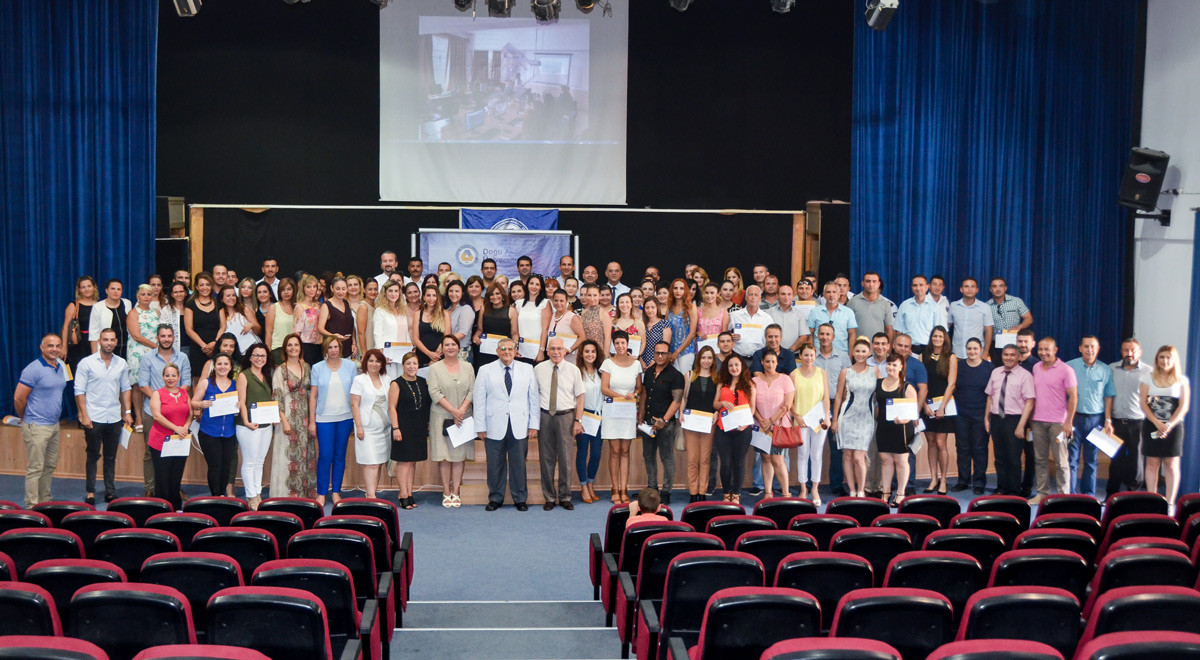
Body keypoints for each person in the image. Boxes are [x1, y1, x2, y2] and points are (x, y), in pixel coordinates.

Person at [474, 338, 540, 511]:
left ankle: (520, 498)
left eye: (510, 349)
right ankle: (495, 498)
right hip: (493, 424)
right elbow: (479, 400)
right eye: (503, 349)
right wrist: (480, 426)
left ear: (516, 351)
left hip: (520, 424)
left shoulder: (527, 369)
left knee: (519, 463)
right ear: (497, 351)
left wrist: (534, 424)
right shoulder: (485, 370)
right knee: (494, 464)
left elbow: (533, 398)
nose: (507, 352)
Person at [74, 329, 133, 504]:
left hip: (114, 417)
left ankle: (110, 492)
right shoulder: (86, 363)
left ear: (116, 342)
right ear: (99, 341)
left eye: (112, 340)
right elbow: (79, 391)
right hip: (93, 417)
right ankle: (90, 492)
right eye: (105, 339)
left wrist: (127, 412)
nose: (109, 343)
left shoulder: (121, 363)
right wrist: (84, 415)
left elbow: (126, 388)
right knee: (92, 456)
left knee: (110, 457)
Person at [139, 325, 191, 498]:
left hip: (178, 416)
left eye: (169, 336)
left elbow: (186, 382)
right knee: (151, 453)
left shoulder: (183, 357)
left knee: (176, 456)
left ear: (174, 337)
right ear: (157, 338)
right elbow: (143, 384)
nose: (166, 339)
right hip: (153, 412)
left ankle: (174, 488)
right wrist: (161, 399)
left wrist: (175, 398)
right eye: (163, 336)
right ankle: (150, 488)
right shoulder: (147, 357)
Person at [535, 337, 587, 510]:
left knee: (565, 458)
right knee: (546, 458)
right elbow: (533, 396)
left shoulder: (573, 370)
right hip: (545, 417)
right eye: (552, 349)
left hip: (566, 417)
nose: (556, 352)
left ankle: (565, 496)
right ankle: (549, 497)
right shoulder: (539, 369)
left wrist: (578, 420)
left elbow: (580, 396)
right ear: (547, 351)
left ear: (565, 351)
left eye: (559, 349)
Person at [1140, 345, 1190, 513]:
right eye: (1162, 357)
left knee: (1171, 464)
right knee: (1152, 463)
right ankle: (1152, 501)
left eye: (1168, 357)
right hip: (1151, 425)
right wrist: (1157, 423)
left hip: (1173, 427)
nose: (1165, 360)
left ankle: (1169, 504)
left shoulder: (1182, 380)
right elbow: (1143, 404)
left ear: (1174, 360)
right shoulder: (1147, 377)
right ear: (1157, 359)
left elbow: (1183, 407)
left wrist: (1168, 425)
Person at [308, 338, 357, 507]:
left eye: (336, 347)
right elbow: (313, 396)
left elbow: (355, 393)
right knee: (325, 455)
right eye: (330, 347)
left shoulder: (350, 366)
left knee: (339, 456)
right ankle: (322, 492)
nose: (333, 350)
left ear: (340, 348)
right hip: (324, 419)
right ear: (325, 350)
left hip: (345, 417)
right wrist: (312, 421)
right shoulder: (317, 368)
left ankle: (336, 491)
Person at [1028, 337, 1077, 504]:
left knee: (1061, 462)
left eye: (1047, 349)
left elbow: (1073, 397)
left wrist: (1068, 422)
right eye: (1040, 349)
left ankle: (1064, 496)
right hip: (1038, 421)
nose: (1043, 353)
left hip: (1059, 424)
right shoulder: (1036, 367)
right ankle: (1042, 493)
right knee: (1040, 460)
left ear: (1055, 350)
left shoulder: (1066, 370)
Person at [429, 335, 475, 508]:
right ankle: (446, 492)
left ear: (458, 347)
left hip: (463, 417)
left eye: (453, 344)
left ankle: (456, 491)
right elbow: (434, 392)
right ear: (442, 348)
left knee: (458, 457)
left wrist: (460, 411)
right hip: (441, 416)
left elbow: (472, 390)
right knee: (444, 456)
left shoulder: (468, 367)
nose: (450, 347)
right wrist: (454, 411)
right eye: (446, 345)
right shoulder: (435, 368)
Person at [268, 333, 316, 498]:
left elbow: (312, 395)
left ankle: (304, 495)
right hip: (287, 418)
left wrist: (312, 420)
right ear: (285, 349)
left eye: (296, 345)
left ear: (300, 348)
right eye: (289, 345)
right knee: (287, 458)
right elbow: (277, 398)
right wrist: (284, 421)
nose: (293, 348)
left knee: (305, 456)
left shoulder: (307, 367)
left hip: (305, 419)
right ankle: (284, 496)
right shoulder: (280, 370)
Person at [985, 346, 1036, 497]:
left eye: (1012, 355)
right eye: (1006, 354)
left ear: (1018, 357)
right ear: (1002, 356)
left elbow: (1030, 402)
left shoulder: (1025, 376)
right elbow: (990, 396)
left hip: (1015, 420)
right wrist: (986, 418)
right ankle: (1002, 489)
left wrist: (1021, 425)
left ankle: (1014, 491)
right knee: (1000, 457)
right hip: (996, 419)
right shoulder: (995, 372)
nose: (1009, 357)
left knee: (1013, 458)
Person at [1067, 336, 1115, 497]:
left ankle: (1088, 494)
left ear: (1098, 348)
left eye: (1093, 346)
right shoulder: (1070, 367)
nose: (1090, 350)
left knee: (1091, 460)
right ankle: (1070, 494)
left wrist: (1108, 420)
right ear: (1080, 348)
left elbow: (1108, 397)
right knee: (1071, 459)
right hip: (1074, 419)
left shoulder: (1105, 370)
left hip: (1096, 420)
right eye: (1086, 346)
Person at [831, 339, 878, 498]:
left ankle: (861, 490)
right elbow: (839, 396)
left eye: (864, 351)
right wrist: (835, 420)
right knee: (848, 455)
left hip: (866, 419)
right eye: (857, 351)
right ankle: (852, 490)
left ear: (869, 353)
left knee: (859, 457)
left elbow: (880, 394)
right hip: (847, 417)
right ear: (852, 352)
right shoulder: (846, 372)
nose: (860, 354)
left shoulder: (875, 371)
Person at [640, 340, 684, 504]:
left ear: (669, 355)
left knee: (666, 458)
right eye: (657, 353)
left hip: (665, 424)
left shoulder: (676, 375)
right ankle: (652, 488)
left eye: (663, 353)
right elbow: (644, 395)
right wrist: (641, 417)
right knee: (648, 456)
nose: (659, 356)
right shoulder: (649, 372)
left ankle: (666, 492)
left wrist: (664, 420)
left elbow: (677, 401)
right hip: (647, 423)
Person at [601, 331, 643, 504]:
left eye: (623, 343)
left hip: (627, 412)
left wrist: (634, 394)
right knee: (615, 451)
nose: (620, 346)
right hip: (612, 410)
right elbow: (604, 388)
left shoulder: (636, 364)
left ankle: (624, 489)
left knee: (625, 451)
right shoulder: (607, 363)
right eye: (617, 343)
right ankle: (614, 489)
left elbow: (639, 387)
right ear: (613, 345)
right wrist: (621, 396)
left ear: (627, 344)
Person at [1107, 338, 1152, 495]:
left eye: (1133, 350)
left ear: (1140, 352)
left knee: (1136, 461)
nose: (1129, 353)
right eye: (1126, 350)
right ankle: (1111, 494)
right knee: (1115, 459)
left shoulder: (1149, 372)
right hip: (1116, 422)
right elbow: (1107, 395)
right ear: (1121, 352)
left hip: (1138, 423)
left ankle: (1133, 495)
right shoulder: (1111, 369)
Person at [192, 352, 239, 497]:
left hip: (229, 432)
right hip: (209, 432)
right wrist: (201, 404)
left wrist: (239, 405)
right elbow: (193, 402)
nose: (222, 367)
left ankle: (222, 495)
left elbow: (242, 404)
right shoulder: (206, 382)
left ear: (230, 367)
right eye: (219, 364)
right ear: (214, 366)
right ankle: (215, 496)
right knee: (215, 465)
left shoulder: (236, 385)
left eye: (226, 364)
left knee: (226, 466)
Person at [387, 352, 430, 510]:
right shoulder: (396, 383)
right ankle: (403, 494)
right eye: (408, 364)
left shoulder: (423, 381)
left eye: (415, 363)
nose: (412, 367)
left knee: (412, 462)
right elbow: (392, 407)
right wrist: (395, 428)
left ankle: (410, 492)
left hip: (418, 427)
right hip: (403, 427)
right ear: (403, 366)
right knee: (404, 462)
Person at [952, 338, 995, 494]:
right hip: (961, 415)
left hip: (980, 415)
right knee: (962, 448)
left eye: (975, 348)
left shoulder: (989, 368)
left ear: (981, 349)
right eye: (969, 349)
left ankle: (979, 482)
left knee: (979, 449)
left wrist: (987, 416)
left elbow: (992, 393)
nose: (972, 352)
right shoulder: (959, 366)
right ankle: (963, 481)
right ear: (966, 350)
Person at [236, 343, 275, 510]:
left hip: (266, 425)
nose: (260, 358)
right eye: (256, 355)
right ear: (250, 357)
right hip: (248, 426)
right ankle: (251, 495)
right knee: (250, 461)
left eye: (263, 355)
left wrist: (273, 417)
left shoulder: (267, 375)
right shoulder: (244, 376)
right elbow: (241, 402)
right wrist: (246, 421)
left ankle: (257, 492)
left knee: (260, 461)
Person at [147, 363, 192, 511]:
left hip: (180, 441)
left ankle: (177, 508)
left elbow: (190, 413)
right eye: (167, 375)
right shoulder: (157, 394)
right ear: (162, 377)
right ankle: (162, 510)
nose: (170, 378)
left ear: (179, 377)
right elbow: (157, 416)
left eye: (173, 375)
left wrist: (185, 426)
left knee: (176, 476)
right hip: (160, 442)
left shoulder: (184, 393)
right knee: (162, 478)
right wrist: (176, 428)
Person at [875, 353, 916, 507]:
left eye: (894, 365)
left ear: (901, 368)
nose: (891, 367)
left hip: (901, 428)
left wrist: (904, 420)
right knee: (885, 460)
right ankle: (885, 492)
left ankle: (900, 493)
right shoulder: (879, 383)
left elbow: (913, 412)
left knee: (901, 461)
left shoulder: (906, 387)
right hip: (883, 427)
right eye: (889, 364)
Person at [791, 344, 830, 504]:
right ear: (800, 356)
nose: (809, 358)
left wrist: (827, 417)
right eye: (806, 355)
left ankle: (815, 488)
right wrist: (796, 416)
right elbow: (789, 400)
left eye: (811, 355)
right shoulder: (794, 374)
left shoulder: (822, 373)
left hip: (819, 421)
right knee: (802, 454)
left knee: (816, 454)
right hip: (801, 421)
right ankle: (803, 488)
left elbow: (826, 397)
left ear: (815, 356)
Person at [349, 349, 390, 500]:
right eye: (371, 361)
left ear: (382, 364)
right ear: (366, 363)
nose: (374, 364)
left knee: (378, 462)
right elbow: (354, 404)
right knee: (371, 463)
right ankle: (371, 496)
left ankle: (372, 492)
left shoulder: (386, 379)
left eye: (377, 361)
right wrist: (359, 426)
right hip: (366, 429)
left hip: (384, 429)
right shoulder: (359, 380)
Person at [713, 354, 755, 504]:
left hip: (743, 429)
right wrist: (722, 403)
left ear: (742, 366)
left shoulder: (750, 384)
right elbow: (715, 404)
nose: (734, 368)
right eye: (730, 365)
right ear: (727, 367)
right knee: (725, 463)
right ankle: (726, 493)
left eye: (737, 365)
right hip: (723, 428)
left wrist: (745, 423)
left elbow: (752, 408)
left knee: (739, 462)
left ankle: (736, 494)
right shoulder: (722, 383)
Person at [921, 326, 957, 495]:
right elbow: (921, 383)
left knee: (941, 443)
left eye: (940, 336)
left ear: (945, 339)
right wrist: (924, 406)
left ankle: (943, 480)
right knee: (931, 442)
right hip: (927, 405)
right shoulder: (923, 356)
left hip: (944, 405)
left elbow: (952, 384)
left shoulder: (951, 357)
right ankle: (933, 478)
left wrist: (942, 407)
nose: (937, 339)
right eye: (935, 336)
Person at [752, 351, 794, 499]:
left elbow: (787, 405)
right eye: (767, 361)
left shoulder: (785, 379)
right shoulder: (755, 381)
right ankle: (768, 493)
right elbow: (752, 405)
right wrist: (762, 421)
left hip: (779, 426)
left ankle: (786, 493)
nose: (770, 364)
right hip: (760, 427)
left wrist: (771, 421)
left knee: (778, 459)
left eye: (773, 362)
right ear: (762, 362)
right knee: (765, 458)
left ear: (777, 363)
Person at [681, 345, 718, 503]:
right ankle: (693, 491)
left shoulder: (717, 378)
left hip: (708, 423)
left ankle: (702, 492)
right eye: (703, 357)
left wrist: (717, 412)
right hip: (691, 423)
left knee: (704, 459)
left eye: (709, 358)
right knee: (692, 459)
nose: (706, 361)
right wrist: (681, 413)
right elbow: (684, 398)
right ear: (698, 359)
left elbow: (717, 401)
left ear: (713, 360)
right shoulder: (690, 375)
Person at [126, 284, 160, 431]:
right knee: (138, 386)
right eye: (143, 294)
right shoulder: (133, 313)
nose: (146, 297)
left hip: (155, 354)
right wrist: (156, 346)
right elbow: (136, 335)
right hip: (138, 353)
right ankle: (139, 419)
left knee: (153, 385)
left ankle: (153, 417)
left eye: (149, 294)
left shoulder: (156, 312)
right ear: (138, 296)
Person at [575, 340, 606, 504]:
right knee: (582, 453)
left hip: (599, 418)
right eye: (587, 351)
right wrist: (577, 420)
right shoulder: (577, 372)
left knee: (596, 454)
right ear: (581, 354)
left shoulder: (602, 372)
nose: (590, 354)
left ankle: (590, 482)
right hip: (584, 417)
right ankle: (583, 486)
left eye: (593, 351)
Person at [988, 277, 1034, 363]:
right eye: (994, 286)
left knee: (1017, 367)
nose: (998, 289)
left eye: (1001, 286)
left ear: (1005, 288)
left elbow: (1029, 318)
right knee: (997, 368)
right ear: (990, 289)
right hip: (996, 346)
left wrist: (1019, 326)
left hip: (1015, 343)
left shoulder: (1016, 301)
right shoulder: (987, 306)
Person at [894, 275, 944, 352]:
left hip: (929, 349)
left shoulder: (935, 307)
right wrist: (902, 347)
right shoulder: (904, 305)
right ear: (912, 287)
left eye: (921, 285)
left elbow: (940, 331)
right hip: (908, 349)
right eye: (915, 285)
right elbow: (899, 330)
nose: (918, 288)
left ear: (927, 287)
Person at [947, 278, 993, 359]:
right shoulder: (953, 306)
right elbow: (946, 327)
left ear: (977, 290)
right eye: (966, 286)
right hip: (957, 353)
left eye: (972, 286)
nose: (969, 289)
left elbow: (988, 331)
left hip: (977, 354)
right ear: (961, 289)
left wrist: (985, 352)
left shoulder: (985, 308)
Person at [474, 282, 516, 369]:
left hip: (504, 352)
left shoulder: (511, 311)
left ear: (502, 295)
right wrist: (475, 337)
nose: (495, 296)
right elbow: (480, 330)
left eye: (497, 293)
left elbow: (514, 334)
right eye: (492, 294)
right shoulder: (483, 309)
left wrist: (515, 348)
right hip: (486, 352)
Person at [807, 282, 857, 354]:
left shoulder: (848, 312)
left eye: (834, 292)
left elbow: (852, 335)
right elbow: (810, 334)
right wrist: (811, 353)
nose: (831, 295)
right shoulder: (815, 312)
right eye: (828, 292)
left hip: (842, 355)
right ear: (824, 295)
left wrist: (850, 355)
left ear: (839, 294)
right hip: (819, 355)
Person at [63, 276, 99, 373]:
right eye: (83, 287)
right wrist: (64, 348)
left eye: (89, 286)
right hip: (78, 345)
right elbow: (66, 327)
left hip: (96, 344)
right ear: (79, 290)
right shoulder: (74, 305)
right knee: (77, 373)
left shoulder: (100, 305)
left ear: (94, 287)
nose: (87, 289)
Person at [89, 279, 132, 358]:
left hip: (126, 348)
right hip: (107, 349)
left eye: (118, 289)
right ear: (106, 291)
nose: (116, 291)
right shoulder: (98, 307)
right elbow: (93, 333)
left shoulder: (127, 303)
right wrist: (94, 356)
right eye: (113, 289)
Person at [846, 272, 894, 342]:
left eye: (874, 281)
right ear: (862, 283)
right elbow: (847, 329)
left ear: (879, 284)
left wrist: (889, 348)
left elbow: (889, 329)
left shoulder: (885, 304)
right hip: (859, 347)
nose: (871, 284)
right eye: (868, 281)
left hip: (878, 347)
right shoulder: (853, 302)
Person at [730, 285, 772, 361]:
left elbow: (771, 338)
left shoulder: (767, 318)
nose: (753, 297)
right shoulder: (734, 315)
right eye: (750, 294)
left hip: (759, 359)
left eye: (756, 295)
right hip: (738, 358)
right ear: (746, 297)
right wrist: (730, 336)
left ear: (760, 298)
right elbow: (725, 334)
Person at [216, 284, 260, 356]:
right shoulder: (221, 313)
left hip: (252, 348)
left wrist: (252, 325)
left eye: (233, 295)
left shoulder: (244, 309)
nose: (232, 298)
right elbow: (221, 331)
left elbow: (259, 330)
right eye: (228, 296)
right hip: (235, 352)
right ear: (222, 299)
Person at [544, 289, 585, 365]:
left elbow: (582, 337)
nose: (558, 303)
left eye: (561, 301)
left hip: (569, 360)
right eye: (556, 300)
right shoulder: (551, 316)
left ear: (566, 301)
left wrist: (569, 350)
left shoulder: (572, 317)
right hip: (554, 359)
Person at [318, 277, 356, 358]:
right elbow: (320, 328)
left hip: (347, 347)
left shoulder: (347, 303)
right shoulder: (327, 305)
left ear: (347, 289)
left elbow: (350, 325)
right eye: (338, 289)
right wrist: (333, 336)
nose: (341, 292)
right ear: (332, 288)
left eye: (343, 289)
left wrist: (354, 343)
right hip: (332, 348)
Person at [414, 286, 449, 369]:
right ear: (424, 297)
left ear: (438, 297)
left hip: (440, 355)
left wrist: (440, 348)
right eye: (428, 295)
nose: (431, 298)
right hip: (422, 355)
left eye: (434, 295)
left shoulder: (444, 314)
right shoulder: (418, 314)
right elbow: (415, 338)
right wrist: (429, 353)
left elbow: (447, 336)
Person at [264, 277, 296, 364]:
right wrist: (268, 352)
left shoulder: (298, 307)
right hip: (278, 349)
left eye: (289, 289)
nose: (286, 292)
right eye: (283, 289)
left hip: (295, 349)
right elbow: (268, 333)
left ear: (294, 290)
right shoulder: (274, 308)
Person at [770, 284, 810, 354]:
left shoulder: (799, 314)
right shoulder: (768, 313)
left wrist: (790, 351)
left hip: (793, 354)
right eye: (783, 294)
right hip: (772, 355)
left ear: (793, 296)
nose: (786, 297)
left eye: (789, 294)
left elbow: (804, 336)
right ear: (777, 296)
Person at [293, 274, 324, 365]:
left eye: (314, 287)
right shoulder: (300, 306)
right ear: (303, 288)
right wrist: (300, 355)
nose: (312, 289)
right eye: (309, 287)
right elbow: (297, 333)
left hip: (319, 345)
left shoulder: (318, 305)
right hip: (306, 346)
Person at [445, 280, 475, 365]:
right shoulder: (447, 308)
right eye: (451, 291)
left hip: (461, 352)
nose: (453, 294)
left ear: (463, 293)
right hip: (447, 351)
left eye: (457, 291)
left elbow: (462, 332)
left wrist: (444, 344)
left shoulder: (466, 309)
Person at [578, 283, 612, 355]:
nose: (592, 298)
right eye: (589, 295)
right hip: (586, 352)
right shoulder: (583, 313)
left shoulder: (604, 313)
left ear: (599, 296)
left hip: (599, 352)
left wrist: (605, 357)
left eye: (595, 295)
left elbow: (607, 337)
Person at [611, 293, 646, 361]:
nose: (624, 305)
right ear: (617, 305)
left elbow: (643, 343)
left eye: (627, 302)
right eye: (621, 302)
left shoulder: (638, 323)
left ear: (631, 304)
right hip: (615, 359)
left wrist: (637, 356)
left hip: (632, 359)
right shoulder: (612, 322)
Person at [158, 281, 189, 355]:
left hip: (192, 347)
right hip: (174, 348)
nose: (179, 294)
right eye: (175, 292)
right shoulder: (167, 310)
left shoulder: (191, 308)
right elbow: (163, 330)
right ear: (172, 294)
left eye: (181, 291)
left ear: (185, 293)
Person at [640, 298, 672, 369]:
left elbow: (665, 347)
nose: (650, 310)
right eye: (647, 307)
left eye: (653, 307)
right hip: (642, 363)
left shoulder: (664, 324)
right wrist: (641, 361)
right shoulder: (641, 324)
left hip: (659, 362)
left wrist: (653, 362)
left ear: (657, 308)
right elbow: (639, 345)